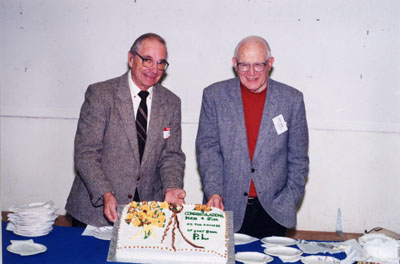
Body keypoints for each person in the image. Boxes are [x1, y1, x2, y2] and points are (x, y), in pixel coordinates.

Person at [66, 33, 186, 227]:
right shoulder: (101, 94)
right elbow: (86, 152)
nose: (154, 69)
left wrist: (172, 186)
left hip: (146, 212)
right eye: (147, 60)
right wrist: (105, 192)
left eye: (160, 63)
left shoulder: (171, 102)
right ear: (131, 59)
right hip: (96, 211)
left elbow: (172, 155)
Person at [195, 36, 309, 238]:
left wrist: (289, 199)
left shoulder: (291, 99)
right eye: (244, 65)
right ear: (234, 64)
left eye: (258, 65)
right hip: (225, 207)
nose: (251, 73)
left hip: (274, 210)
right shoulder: (214, 96)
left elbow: (298, 157)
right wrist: (214, 192)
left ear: (270, 64)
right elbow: (208, 150)